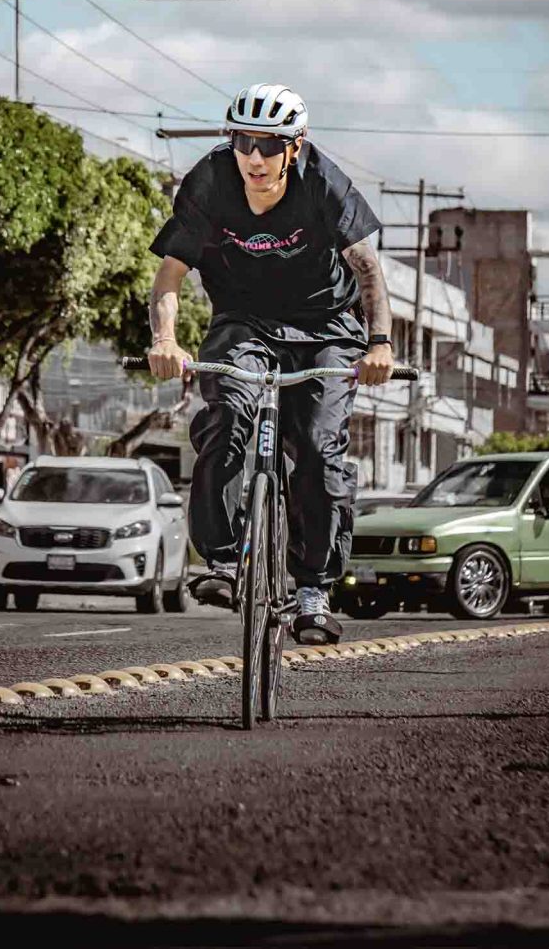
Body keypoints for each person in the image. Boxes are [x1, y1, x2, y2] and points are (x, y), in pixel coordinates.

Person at [147, 83, 395, 645]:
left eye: (268, 144)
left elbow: (367, 270)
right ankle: (223, 560)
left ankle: (312, 589)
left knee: (315, 444)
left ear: (295, 146)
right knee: (227, 419)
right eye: (242, 141)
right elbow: (171, 274)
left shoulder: (325, 183)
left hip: (327, 327)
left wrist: (378, 344)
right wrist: (166, 338)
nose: (253, 157)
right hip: (244, 320)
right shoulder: (210, 182)